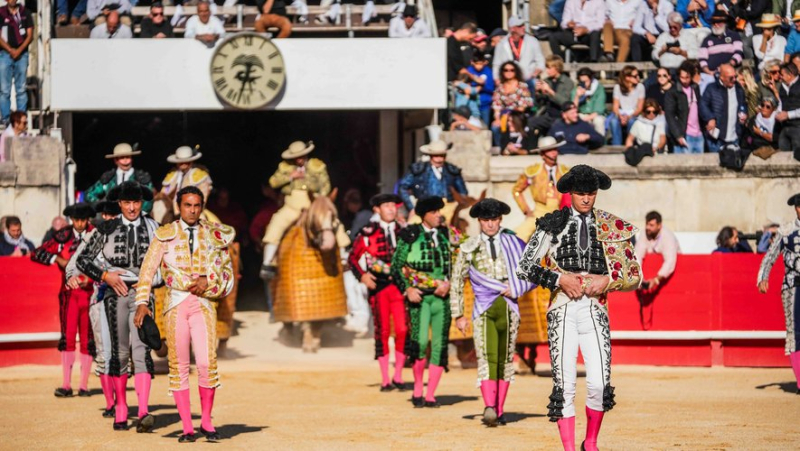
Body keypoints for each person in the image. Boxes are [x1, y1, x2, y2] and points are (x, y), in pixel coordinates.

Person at [516, 165, 641, 451]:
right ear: (571, 193)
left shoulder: (612, 225)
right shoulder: (552, 223)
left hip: (595, 309)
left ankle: (591, 442)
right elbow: (525, 266)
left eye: (591, 193)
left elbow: (634, 275)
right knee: (565, 385)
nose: (586, 199)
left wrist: (608, 281)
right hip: (562, 308)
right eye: (581, 193)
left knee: (599, 383)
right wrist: (559, 278)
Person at [135, 186, 234, 443]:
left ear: (202, 207)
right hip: (176, 304)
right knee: (178, 366)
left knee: (205, 363)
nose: (192, 210)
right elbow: (147, 270)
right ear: (179, 206)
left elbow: (226, 272)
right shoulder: (165, 234)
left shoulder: (213, 234)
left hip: (202, 304)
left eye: (197, 205)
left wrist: (207, 279)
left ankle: (208, 423)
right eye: (188, 205)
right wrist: (142, 303)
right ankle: (188, 427)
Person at [75, 182, 159, 432]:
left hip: (142, 294)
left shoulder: (155, 227)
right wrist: (105, 276)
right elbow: (83, 260)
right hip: (114, 293)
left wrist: (149, 282)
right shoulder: (106, 228)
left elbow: (166, 265)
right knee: (120, 352)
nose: (132, 208)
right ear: (120, 204)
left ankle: (143, 409)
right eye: (127, 203)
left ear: (141, 203)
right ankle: (121, 407)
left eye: (136, 203)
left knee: (141, 350)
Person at [451, 199, 534, 426]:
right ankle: (489, 405)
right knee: (487, 357)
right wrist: (458, 314)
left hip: (509, 307)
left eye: (494, 220)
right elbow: (457, 281)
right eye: (486, 220)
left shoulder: (513, 243)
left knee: (505, 359)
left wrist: (517, 287)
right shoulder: (469, 246)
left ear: (500, 220)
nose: (490, 224)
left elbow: (533, 271)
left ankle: (499, 409)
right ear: (479, 221)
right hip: (483, 308)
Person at [391, 196, 452, 408]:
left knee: (439, 344)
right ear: (424, 215)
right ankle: (418, 388)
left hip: (442, 298)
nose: (439, 215)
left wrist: (451, 282)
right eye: (434, 212)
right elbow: (396, 266)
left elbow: (462, 259)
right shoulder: (410, 234)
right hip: (420, 298)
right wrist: (407, 288)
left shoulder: (447, 234)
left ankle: (431, 394)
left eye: (439, 212)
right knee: (420, 343)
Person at [31, 203, 96, 398]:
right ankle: (66, 385)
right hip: (68, 295)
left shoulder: (96, 235)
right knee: (68, 338)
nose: (79, 223)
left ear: (88, 219)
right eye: (76, 220)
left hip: (89, 293)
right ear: (71, 219)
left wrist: (89, 278)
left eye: (83, 220)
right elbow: (37, 253)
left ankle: (83, 385)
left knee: (87, 339)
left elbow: (106, 261)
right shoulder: (63, 236)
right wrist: (58, 260)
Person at [64, 200, 120, 418]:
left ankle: (120, 400)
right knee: (105, 352)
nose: (106, 219)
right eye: (104, 216)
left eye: (111, 215)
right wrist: (71, 276)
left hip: (125, 299)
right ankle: (110, 402)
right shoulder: (92, 236)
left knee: (122, 354)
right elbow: (72, 264)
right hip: (100, 300)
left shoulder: (128, 234)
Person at [348, 193, 408, 392]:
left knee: (402, 330)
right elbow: (353, 258)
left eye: (394, 206)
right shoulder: (368, 233)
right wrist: (363, 276)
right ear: (377, 209)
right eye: (387, 206)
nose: (391, 209)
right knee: (382, 331)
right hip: (379, 288)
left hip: (400, 287)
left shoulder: (404, 232)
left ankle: (398, 375)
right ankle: (385, 379)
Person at [261, 140, 335, 273]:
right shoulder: (285, 167)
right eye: (296, 157)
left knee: (331, 222)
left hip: (313, 205)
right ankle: (268, 262)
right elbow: (273, 182)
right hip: (292, 205)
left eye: (301, 156)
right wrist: (290, 177)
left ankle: (344, 254)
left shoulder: (317, 166)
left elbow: (326, 186)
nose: (299, 159)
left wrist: (320, 202)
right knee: (276, 223)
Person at [758, 193, 800, 394]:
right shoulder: (786, 231)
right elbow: (770, 256)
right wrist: (763, 277)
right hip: (793, 287)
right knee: (794, 333)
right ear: (796, 209)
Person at [512, 138, 569, 242]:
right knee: (518, 236)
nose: (553, 153)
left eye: (555, 149)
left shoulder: (565, 171)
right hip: (540, 211)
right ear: (542, 154)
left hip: (561, 212)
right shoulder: (533, 171)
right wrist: (526, 210)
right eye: (550, 150)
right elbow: (516, 190)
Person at [396, 140, 468, 218]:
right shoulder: (418, 170)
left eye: (442, 156)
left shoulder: (452, 171)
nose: (439, 159)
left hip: (448, 209)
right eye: (436, 156)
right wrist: (412, 207)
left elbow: (463, 193)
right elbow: (402, 188)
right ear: (430, 155)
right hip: (423, 208)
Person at [84, 143, 155, 213]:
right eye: (122, 157)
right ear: (115, 160)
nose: (125, 160)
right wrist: (103, 207)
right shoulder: (108, 178)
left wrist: (136, 212)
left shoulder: (142, 179)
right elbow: (89, 195)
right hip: (111, 219)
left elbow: (149, 200)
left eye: (127, 157)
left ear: (131, 158)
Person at [700, 63, 747, 152]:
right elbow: (703, 104)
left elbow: (743, 104)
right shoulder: (712, 88)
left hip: (734, 137)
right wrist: (710, 118)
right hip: (716, 138)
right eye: (731, 78)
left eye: (735, 76)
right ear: (722, 77)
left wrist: (743, 112)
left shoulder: (738, 89)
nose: (734, 80)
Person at [492, 16, 545, 93]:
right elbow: (497, 64)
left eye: (523, 25)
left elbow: (540, 61)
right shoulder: (501, 44)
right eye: (520, 26)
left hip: (528, 80)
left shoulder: (533, 41)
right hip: (508, 82)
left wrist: (533, 75)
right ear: (512, 28)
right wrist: (497, 80)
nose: (523, 27)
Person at [0, 0, 32, 126]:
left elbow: (30, 35)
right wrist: (10, 50)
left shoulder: (25, 12)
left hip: (22, 54)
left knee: (21, 89)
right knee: (4, 90)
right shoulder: (1, 13)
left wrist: (19, 50)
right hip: (4, 54)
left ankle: (21, 119)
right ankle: (6, 119)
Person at [530, 55, 575, 145]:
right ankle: (531, 147)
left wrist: (549, 91)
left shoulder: (568, 82)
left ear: (557, 68)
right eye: (547, 68)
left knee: (554, 129)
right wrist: (538, 92)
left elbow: (565, 102)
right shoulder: (547, 81)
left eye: (550, 68)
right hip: (548, 115)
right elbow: (538, 104)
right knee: (530, 123)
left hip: (561, 116)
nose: (547, 71)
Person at [634, 210, 680, 291]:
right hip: (650, 275)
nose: (648, 227)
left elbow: (670, 261)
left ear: (659, 225)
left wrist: (656, 280)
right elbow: (638, 256)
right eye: (647, 224)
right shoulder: (644, 234)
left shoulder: (668, 236)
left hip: (671, 277)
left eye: (651, 225)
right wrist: (639, 278)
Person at [491, 61, 534, 146]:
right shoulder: (499, 88)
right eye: (506, 70)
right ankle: (502, 147)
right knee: (495, 127)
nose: (509, 72)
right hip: (503, 116)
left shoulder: (522, 86)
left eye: (512, 70)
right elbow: (497, 107)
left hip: (519, 115)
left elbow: (523, 106)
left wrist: (509, 116)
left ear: (516, 71)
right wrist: (497, 119)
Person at [666, 61, 705, 153]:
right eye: (682, 77)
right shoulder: (673, 92)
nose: (684, 80)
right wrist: (678, 135)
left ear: (691, 76)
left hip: (699, 134)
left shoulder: (695, 88)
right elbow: (670, 115)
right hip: (684, 135)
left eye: (687, 77)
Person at [160, 145, 213, 214]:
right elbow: (165, 192)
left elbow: (203, 197)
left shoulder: (200, 175)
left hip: (193, 210)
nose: (184, 164)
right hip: (172, 209)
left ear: (192, 161)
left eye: (187, 162)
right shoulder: (173, 174)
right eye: (181, 162)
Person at [699, 11, 744, 88]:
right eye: (714, 22)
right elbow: (702, 59)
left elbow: (739, 54)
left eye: (719, 22)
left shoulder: (734, 36)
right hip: (711, 74)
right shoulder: (707, 39)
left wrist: (727, 66)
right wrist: (708, 72)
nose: (716, 25)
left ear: (725, 23)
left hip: (730, 71)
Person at [607, 65, 646, 146]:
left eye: (638, 75)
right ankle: (616, 147)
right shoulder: (617, 88)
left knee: (632, 121)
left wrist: (629, 117)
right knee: (614, 122)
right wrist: (620, 116)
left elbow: (639, 108)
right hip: (622, 113)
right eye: (635, 76)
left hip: (634, 114)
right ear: (627, 78)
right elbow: (615, 107)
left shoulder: (640, 87)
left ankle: (630, 145)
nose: (638, 77)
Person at [775, 62, 800, 160]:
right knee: (783, 155)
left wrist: (789, 115)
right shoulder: (783, 87)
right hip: (785, 127)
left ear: (790, 75)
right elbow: (781, 103)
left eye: (782, 75)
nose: (780, 77)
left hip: (798, 127)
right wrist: (778, 113)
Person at [572, 67, 606, 136]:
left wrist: (588, 118)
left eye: (586, 81)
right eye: (582, 82)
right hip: (582, 114)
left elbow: (599, 109)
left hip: (596, 114)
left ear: (591, 79)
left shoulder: (599, 88)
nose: (584, 84)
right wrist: (577, 96)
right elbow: (573, 108)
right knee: (576, 119)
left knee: (598, 121)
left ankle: (600, 141)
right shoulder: (576, 89)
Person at [466, 53, 495, 125]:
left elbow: (491, 87)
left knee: (485, 125)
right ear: (472, 62)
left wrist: (482, 86)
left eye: (481, 64)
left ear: (485, 62)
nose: (479, 66)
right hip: (471, 104)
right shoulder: (468, 71)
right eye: (477, 64)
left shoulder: (488, 71)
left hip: (485, 104)